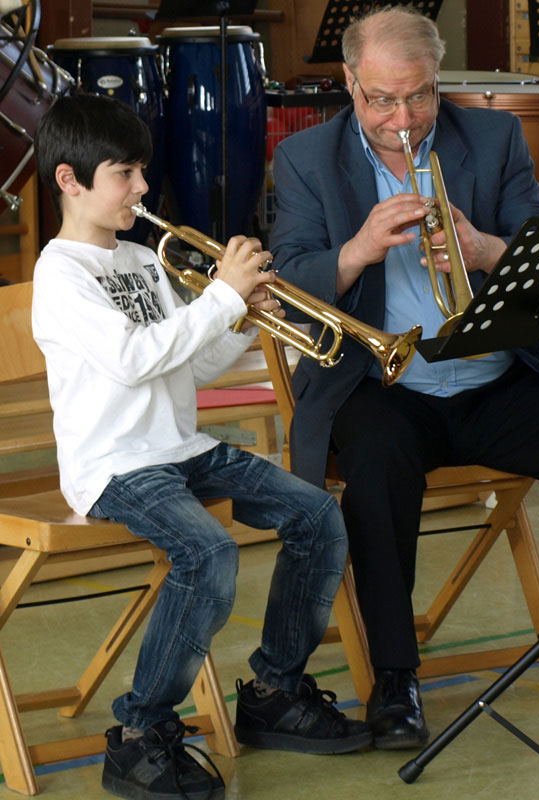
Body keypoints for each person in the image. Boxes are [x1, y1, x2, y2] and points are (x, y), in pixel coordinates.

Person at [269, 6, 539, 750]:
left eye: (420, 95)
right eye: (381, 98)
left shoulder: (493, 137)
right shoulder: (306, 159)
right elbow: (290, 285)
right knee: (374, 461)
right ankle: (395, 682)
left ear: (439, 82)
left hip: (495, 377)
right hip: (381, 388)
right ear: (348, 82)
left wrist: (483, 248)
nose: (402, 117)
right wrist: (358, 250)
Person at [32, 93, 371, 800]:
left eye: (142, 171)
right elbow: (131, 360)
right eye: (124, 173)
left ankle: (275, 691)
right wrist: (222, 295)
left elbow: (185, 365)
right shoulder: (60, 274)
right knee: (208, 554)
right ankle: (139, 732)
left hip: (180, 448)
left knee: (317, 515)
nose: (143, 188)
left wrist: (243, 320)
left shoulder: (139, 259)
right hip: (116, 466)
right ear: (70, 180)